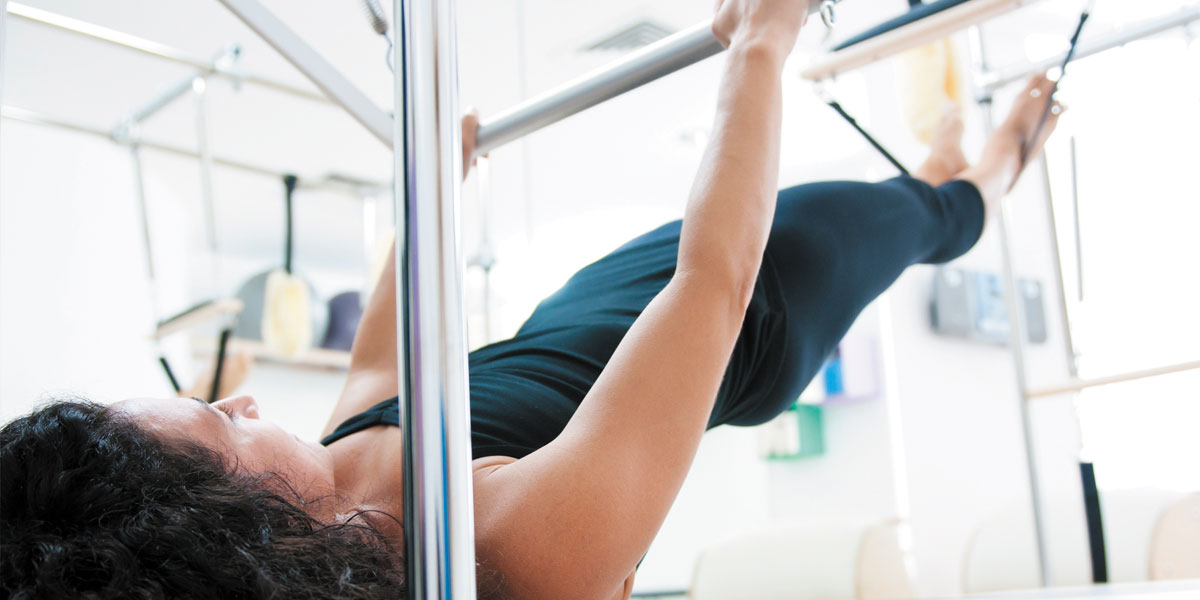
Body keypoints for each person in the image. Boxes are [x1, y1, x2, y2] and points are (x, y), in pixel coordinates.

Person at [0, 0, 1065, 597]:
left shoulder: (330, 481)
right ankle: (992, 172)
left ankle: (935, 164)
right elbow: (716, 281)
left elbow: (384, 358)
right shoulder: (511, 559)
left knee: (897, 196)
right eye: (216, 428)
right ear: (228, 526)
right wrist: (762, 45)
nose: (238, 403)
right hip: (757, 302)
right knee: (919, 218)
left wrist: (432, 190)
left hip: (585, 307)